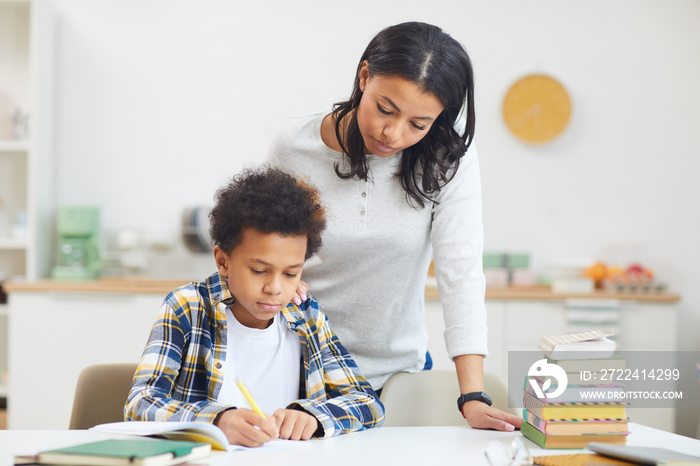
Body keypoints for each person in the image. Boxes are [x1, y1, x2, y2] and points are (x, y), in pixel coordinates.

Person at [267, 21, 522, 431]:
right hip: (293, 368)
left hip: (398, 377)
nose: (393, 133)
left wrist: (472, 394)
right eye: (385, 108)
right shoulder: (293, 146)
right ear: (364, 76)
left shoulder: (447, 158)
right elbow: (262, 251)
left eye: (418, 124)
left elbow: (460, 271)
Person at [125, 166, 384, 447]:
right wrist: (217, 420)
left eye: (290, 274)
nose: (275, 288)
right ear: (223, 262)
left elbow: (367, 402)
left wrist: (315, 416)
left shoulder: (307, 315)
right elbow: (140, 404)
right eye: (260, 271)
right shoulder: (188, 308)